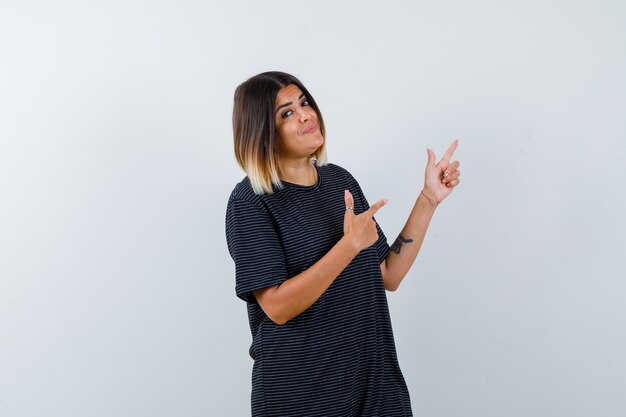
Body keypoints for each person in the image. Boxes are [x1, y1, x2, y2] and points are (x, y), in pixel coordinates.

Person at [225, 71, 461, 417]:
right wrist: (348, 246)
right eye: (286, 113)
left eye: (304, 103)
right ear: (262, 133)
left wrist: (428, 199)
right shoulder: (250, 200)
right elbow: (276, 307)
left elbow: (388, 275)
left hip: (373, 387)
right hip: (302, 396)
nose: (305, 114)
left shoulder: (340, 181)